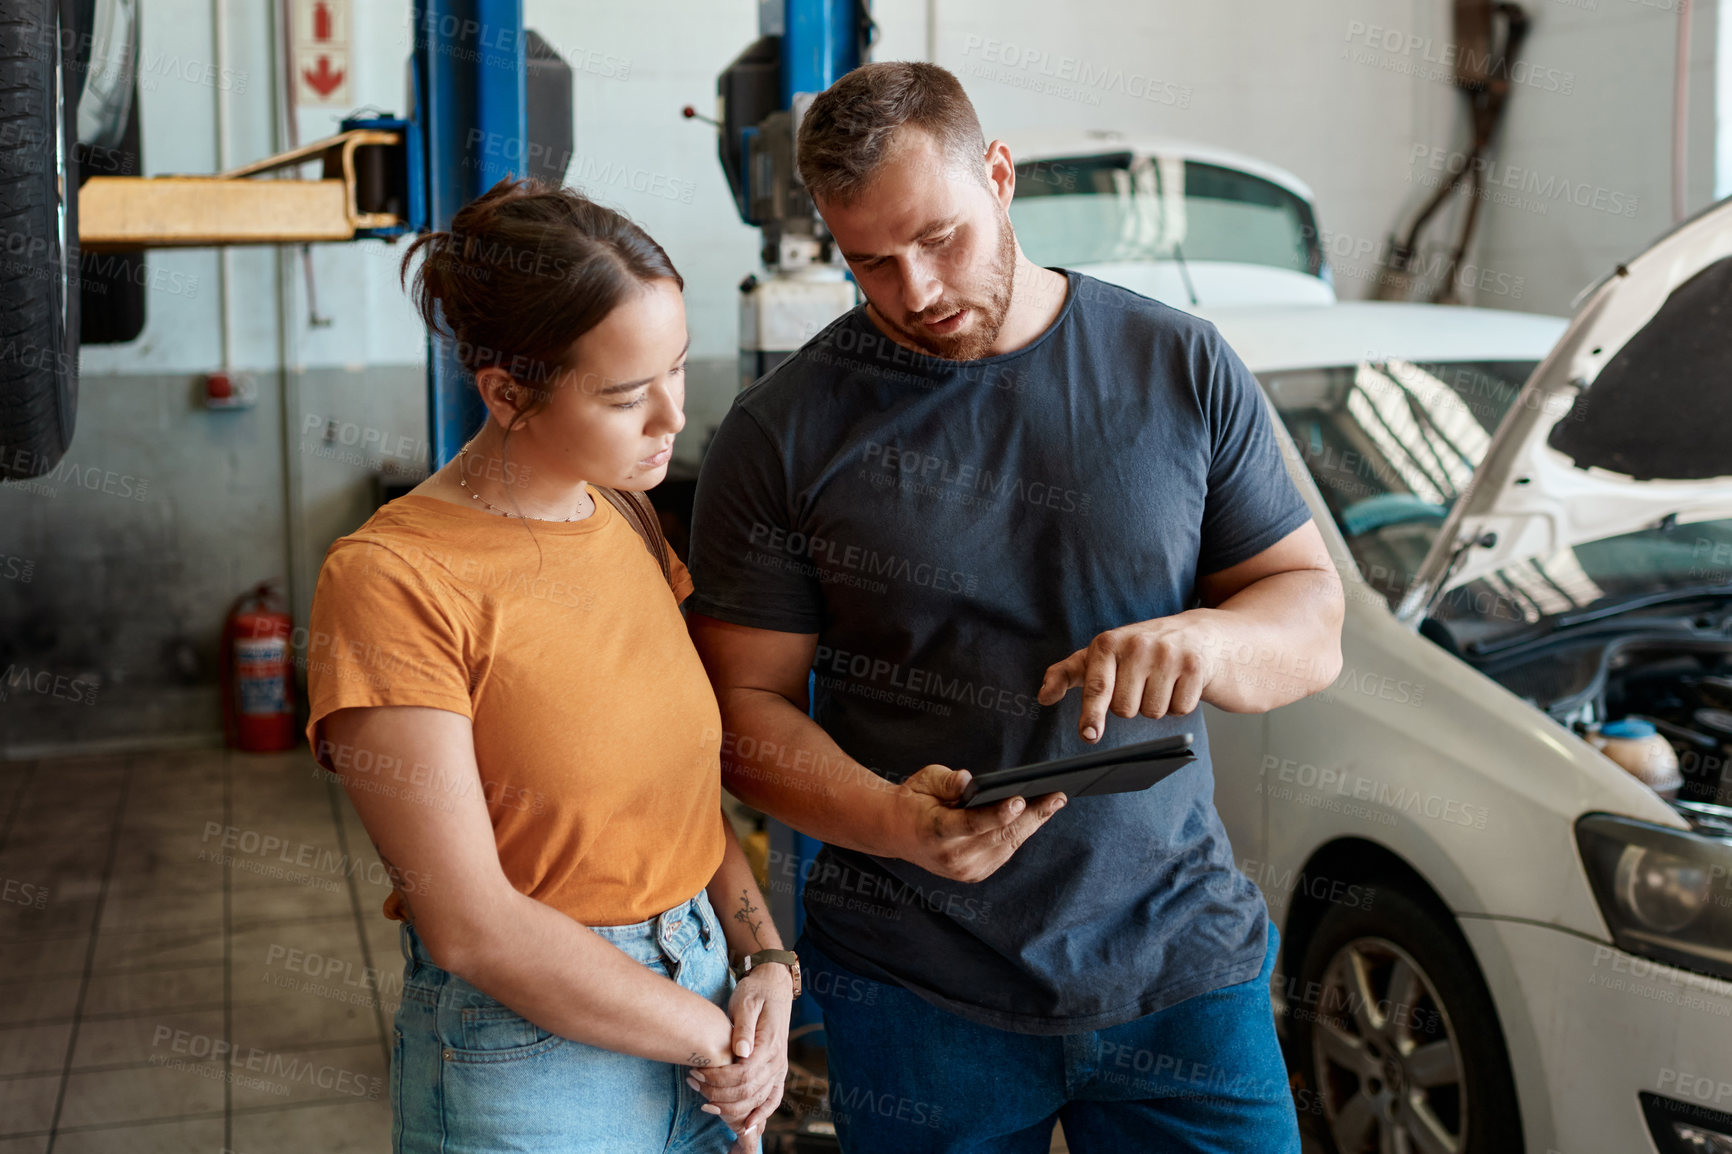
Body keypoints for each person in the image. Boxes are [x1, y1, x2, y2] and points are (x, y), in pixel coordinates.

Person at [685, 63, 1345, 1153]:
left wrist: (1209, 636)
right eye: (870, 263)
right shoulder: (780, 432)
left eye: (938, 238)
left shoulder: (1177, 362)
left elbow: (1309, 616)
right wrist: (899, 821)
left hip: (1178, 962)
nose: (915, 290)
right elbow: (741, 714)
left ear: (999, 176)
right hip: (916, 986)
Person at [304, 178, 791, 1154]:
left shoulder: (625, 514)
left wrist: (763, 956)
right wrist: (709, 1035)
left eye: (679, 370)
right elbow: (472, 924)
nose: (669, 417)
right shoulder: (393, 579)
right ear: (506, 391)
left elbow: (687, 806)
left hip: (703, 1003)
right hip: (534, 1055)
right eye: (624, 393)